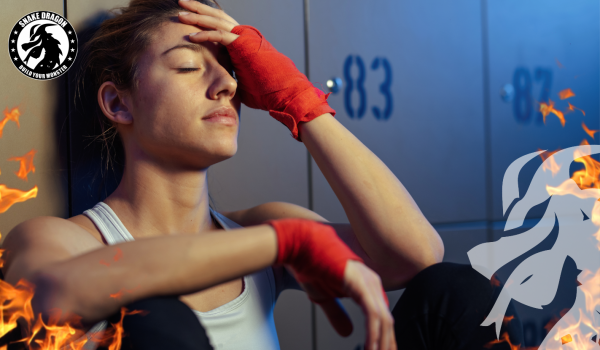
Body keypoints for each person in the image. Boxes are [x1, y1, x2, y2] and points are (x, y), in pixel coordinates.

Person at [0, 0, 524, 349]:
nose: (225, 85)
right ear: (118, 103)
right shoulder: (56, 238)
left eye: (229, 69)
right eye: (187, 66)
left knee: (453, 293)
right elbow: (52, 294)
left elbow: (416, 257)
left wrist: (301, 103)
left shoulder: (258, 231)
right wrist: (283, 243)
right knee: (154, 321)